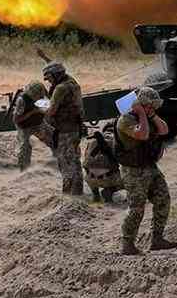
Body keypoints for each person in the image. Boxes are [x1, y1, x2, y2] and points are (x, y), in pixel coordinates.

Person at [115, 86, 176, 254]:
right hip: (133, 171)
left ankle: (157, 239)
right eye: (149, 106)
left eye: (154, 106)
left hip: (150, 167)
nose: (152, 109)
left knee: (163, 199)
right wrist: (142, 114)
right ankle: (127, 244)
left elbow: (164, 130)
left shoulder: (149, 117)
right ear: (140, 104)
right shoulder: (125, 120)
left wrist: (152, 116)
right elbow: (142, 135)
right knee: (137, 208)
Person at [41, 62, 84, 196]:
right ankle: (77, 190)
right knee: (74, 159)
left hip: (65, 130)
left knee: (65, 161)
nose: (49, 81)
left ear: (56, 75)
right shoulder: (72, 82)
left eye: (50, 78)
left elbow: (51, 111)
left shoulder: (61, 88)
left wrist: (38, 105)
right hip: (75, 127)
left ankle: (69, 193)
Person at [9, 79, 51, 171]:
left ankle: (58, 161)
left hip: (38, 123)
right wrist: (32, 112)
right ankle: (24, 170)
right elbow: (16, 120)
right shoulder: (22, 100)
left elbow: (50, 104)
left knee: (53, 139)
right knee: (24, 147)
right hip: (24, 126)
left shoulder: (44, 95)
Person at [82, 121, 123, 203]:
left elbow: (86, 160)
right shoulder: (117, 141)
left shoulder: (92, 140)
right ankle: (109, 190)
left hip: (90, 178)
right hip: (107, 178)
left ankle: (95, 193)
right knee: (130, 181)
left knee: (91, 168)